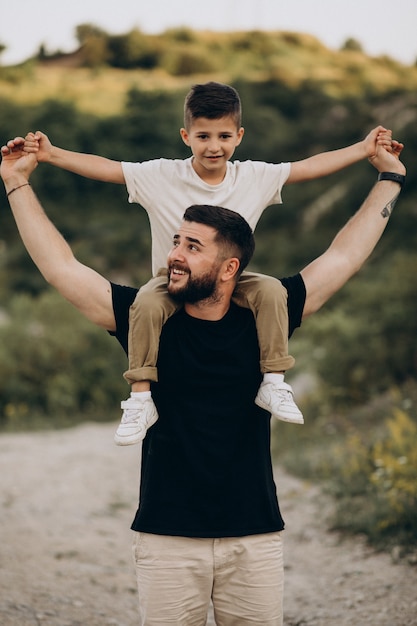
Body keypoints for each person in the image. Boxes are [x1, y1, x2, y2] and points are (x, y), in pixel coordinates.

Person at [1, 135, 405, 625]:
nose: (175, 254)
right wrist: (16, 184)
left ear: (230, 267)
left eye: (193, 247)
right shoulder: (146, 316)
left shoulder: (267, 315)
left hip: (254, 535)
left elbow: (344, 256)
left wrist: (389, 177)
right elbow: (60, 266)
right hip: (166, 537)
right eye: (176, 241)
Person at [22, 81, 394, 446]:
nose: (214, 147)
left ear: (239, 135)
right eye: (203, 137)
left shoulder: (254, 176)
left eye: (223, 136)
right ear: (186, 136)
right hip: (170, 283)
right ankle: (139, 398)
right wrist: (52, 155)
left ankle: (274, 382)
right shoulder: (161, 175)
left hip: (234, 282)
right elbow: (108, 170)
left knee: (272, 291)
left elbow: (308, 168)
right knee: (146, 305)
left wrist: (362, 150)